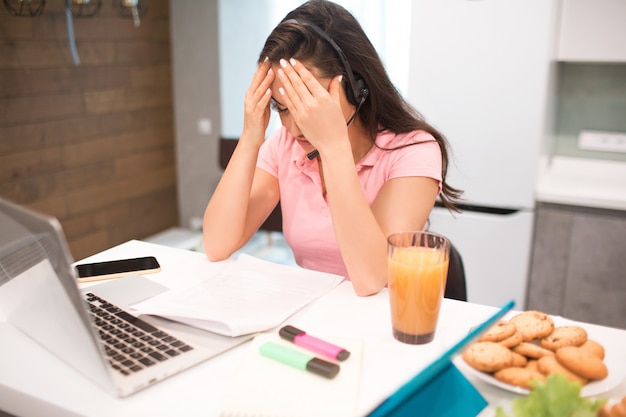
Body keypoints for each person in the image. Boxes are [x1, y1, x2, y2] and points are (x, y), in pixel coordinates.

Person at [203, 0, 462, 296]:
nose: (295, 128)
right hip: (315, 320)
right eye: (283, 108)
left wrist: (334, 149)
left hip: (391, 324)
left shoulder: (415, 150)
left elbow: (370, 277)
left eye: (309, 103)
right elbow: (216, 244)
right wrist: (251, 135)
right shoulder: (285, 145)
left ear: (356, 88)